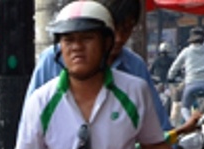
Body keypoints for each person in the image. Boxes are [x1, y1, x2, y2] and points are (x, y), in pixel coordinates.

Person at [0, 1, 169, 149]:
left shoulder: (135, 91)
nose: (77, 47)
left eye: (87, 38)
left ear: (106, 43)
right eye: (68, 40)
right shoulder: (41, 100)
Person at [25, 0, 171, 132]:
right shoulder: (49, 65)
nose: (119, 38)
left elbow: (158, 133)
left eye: (126, 29)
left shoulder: (135, 73)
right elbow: (29, 134)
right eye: (114, 29)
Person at [168, 28, 204, 120]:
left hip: (192, 84)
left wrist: (170, 77)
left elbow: (175, 66)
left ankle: (190, 123)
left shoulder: (186, 51)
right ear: (203, 39)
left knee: (184, 107)